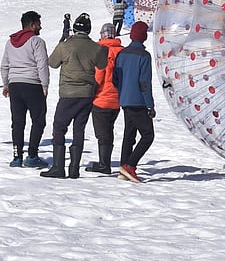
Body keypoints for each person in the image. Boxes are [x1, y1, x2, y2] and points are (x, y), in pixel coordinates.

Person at [43, 13, 107, 179]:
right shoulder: (96, 47)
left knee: (59, 127)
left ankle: (58, 167)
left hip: (68, 93)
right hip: (87, 94)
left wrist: (62, 41)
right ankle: (74, 169)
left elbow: (52, 63)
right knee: (79, 129)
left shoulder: (66, 46)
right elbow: (103, 64)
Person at [2, 11, 50, 168]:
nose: (40, 26)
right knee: (38, 120)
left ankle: (17, 157)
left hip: (15, 85)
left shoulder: (10, 42)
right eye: (38, 23)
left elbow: (4, 65)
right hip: (32, 84)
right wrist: (44, 85)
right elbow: (42, 64)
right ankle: (32, 155)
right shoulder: (36, 41)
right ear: (32, 25)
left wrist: (7, 84)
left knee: (17, 122)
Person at [114, 21, 155, 183]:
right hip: (138, 101)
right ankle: (130, 166)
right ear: (144, 36)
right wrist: (150, 105)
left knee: (129, 134)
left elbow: (115, 78)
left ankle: (124, 166)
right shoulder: (144, 56)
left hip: (125, 100)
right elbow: (144, 83)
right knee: (148, 135)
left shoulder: (121, 54)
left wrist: (123, 93)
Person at [86, 23, 123, 174]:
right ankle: (104, 161)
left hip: (101, 98)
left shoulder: (100, 51)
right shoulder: (122, 52)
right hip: (117, 99)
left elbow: (98, 75)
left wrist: (90, 92)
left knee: (102, 133)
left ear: (102, 34)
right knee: (109, 130)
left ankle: (104, 164)